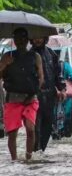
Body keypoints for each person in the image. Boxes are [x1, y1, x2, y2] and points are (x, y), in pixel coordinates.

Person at [0, 28, 44, 160]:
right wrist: (3, 65)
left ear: (27, 40)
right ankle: (14, 159)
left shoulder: (35, 57)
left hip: (31, 98)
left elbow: (41, 77)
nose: (20, 41)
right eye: (17, 38)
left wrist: (35, 92)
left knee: (30, 128)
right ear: (14, 40)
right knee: (12, 133)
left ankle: (28, 157)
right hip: (12, 99)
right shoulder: (7, 56)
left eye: (23, 38)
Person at [31, 37, 66, 152]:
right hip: (34, 96)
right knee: (35, 127)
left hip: (50, 96)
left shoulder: (51, 54)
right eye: (35, 37)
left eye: (40, 37)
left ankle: (41, 151)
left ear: (45, 38)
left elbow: (58, 74)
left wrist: (62, 89)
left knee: (47, 126)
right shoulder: (29, 55)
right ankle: (34, 150)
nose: (38, 40)